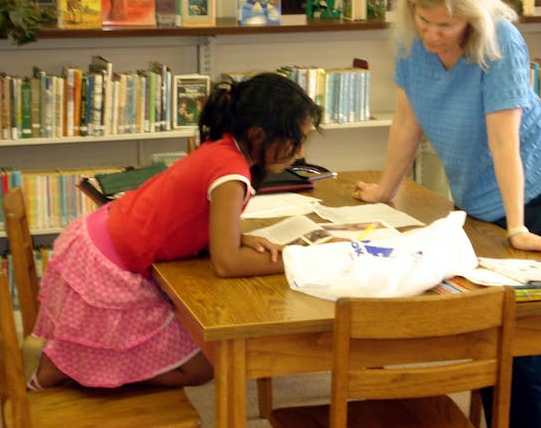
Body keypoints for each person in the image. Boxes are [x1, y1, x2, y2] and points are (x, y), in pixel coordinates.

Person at [353, 0, 541, 428]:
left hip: (533, 191)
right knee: (487, 327)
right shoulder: (412, 39)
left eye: (445, 25)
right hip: (474, 196)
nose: (432, 34)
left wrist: (516, 227)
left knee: (523, 342)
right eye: (425, 21)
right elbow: (407, 122)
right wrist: (387, 190)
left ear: (472, 17)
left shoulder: (501, 42)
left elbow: (504, 141)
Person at [30, 72, 322, 391]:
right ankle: (71, 367)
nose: (301, 151)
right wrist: (299, 260)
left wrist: (237, 237)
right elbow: (226, 265)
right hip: (107, 267)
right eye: (296, 140)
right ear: (258, 135)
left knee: (195, 347)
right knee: (206, 364)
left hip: (100, 240)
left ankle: (68, 362)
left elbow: (190, 214)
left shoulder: (223, 147)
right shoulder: (232, 172)